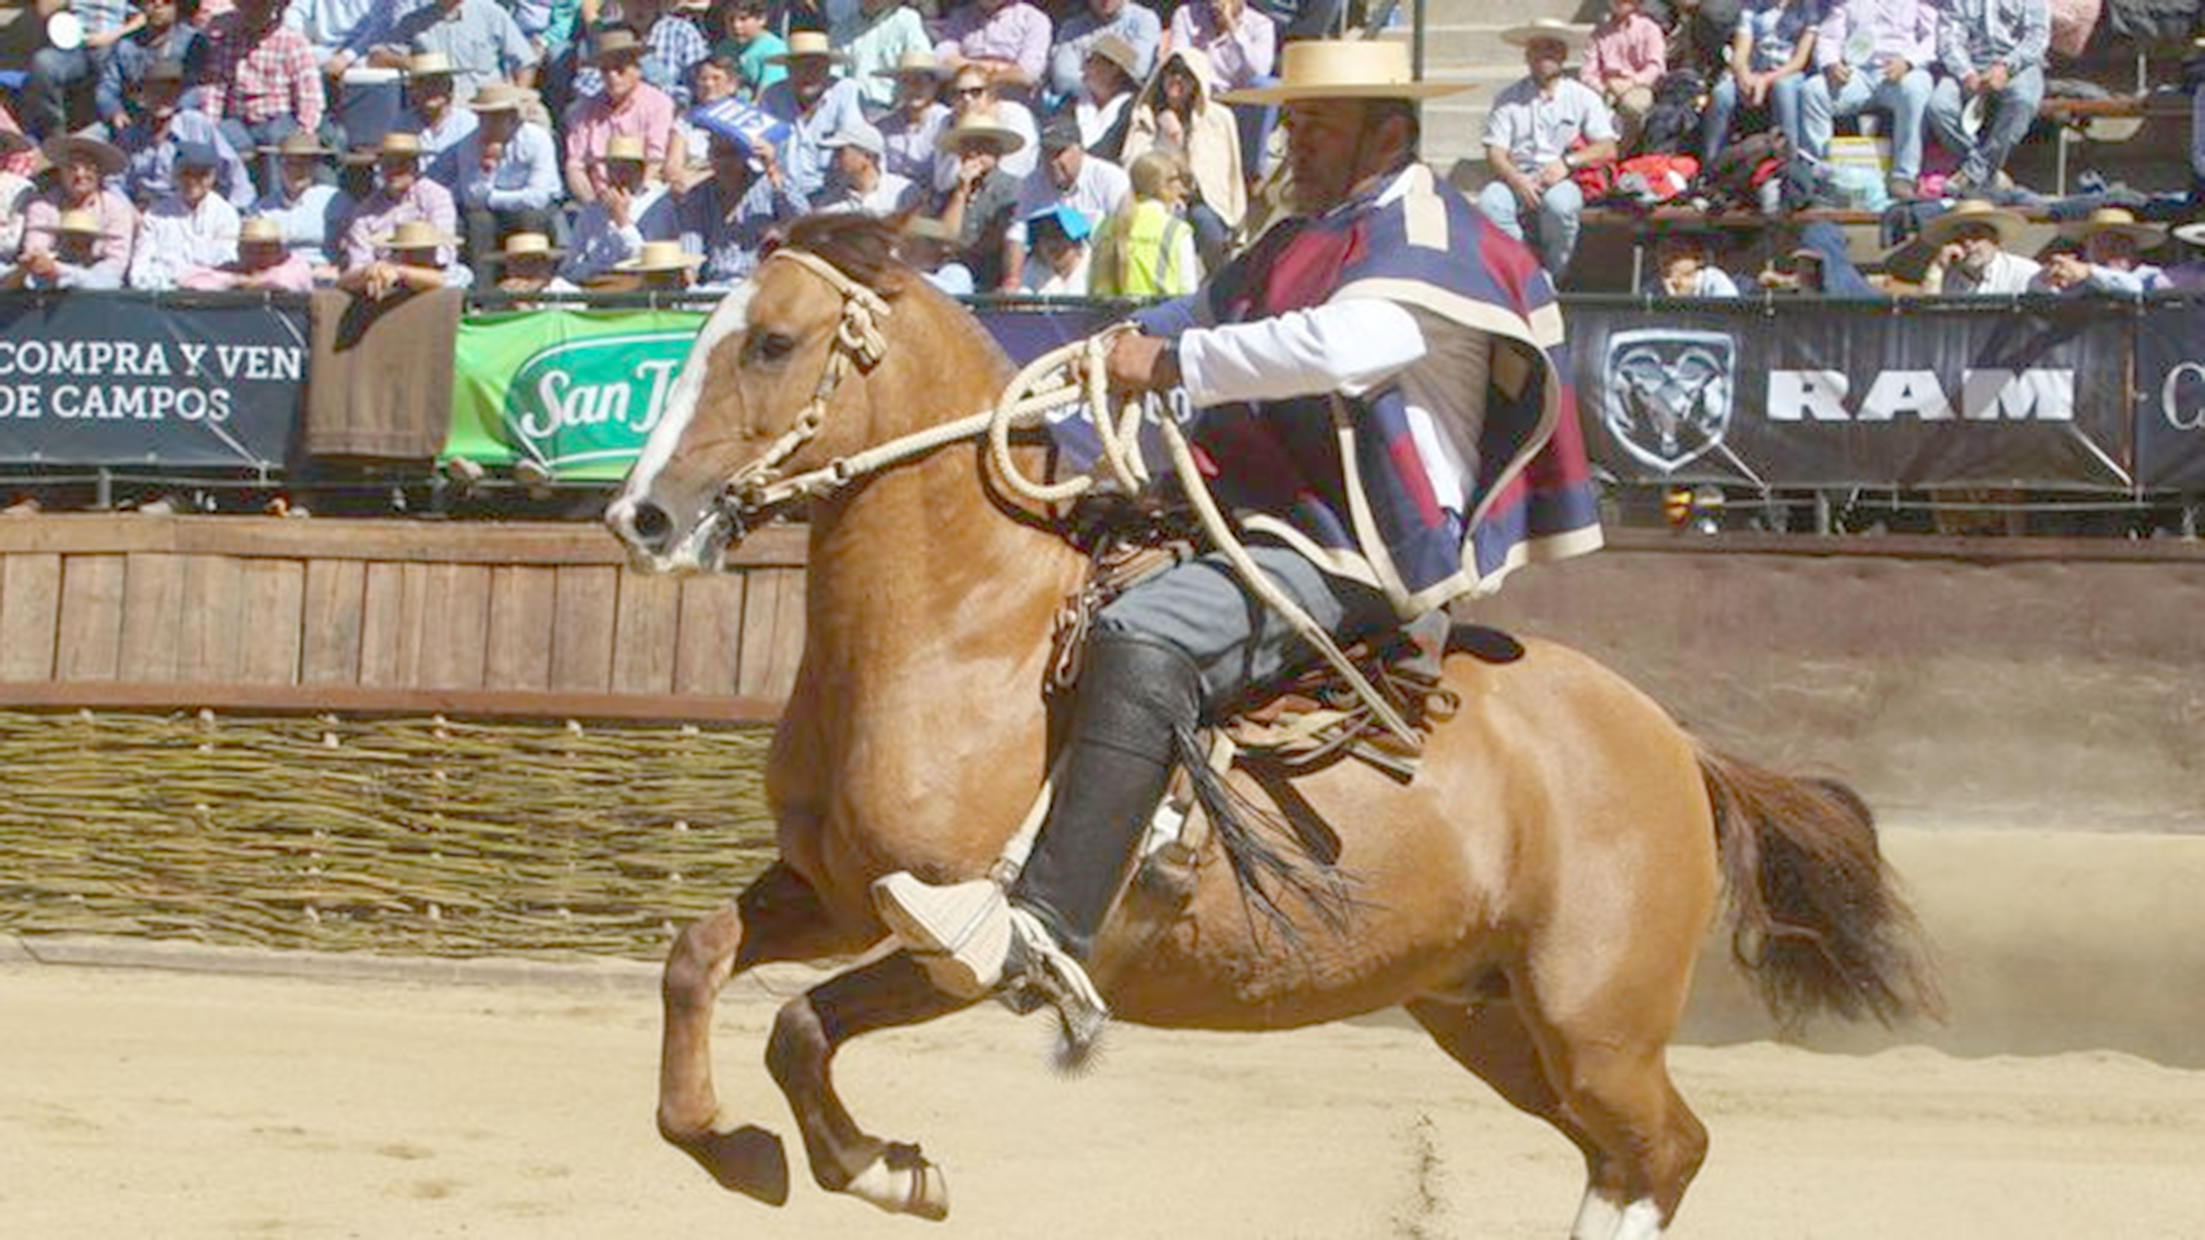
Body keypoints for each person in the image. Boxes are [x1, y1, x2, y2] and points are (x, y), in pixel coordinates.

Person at [873, 39, 1595, 1036]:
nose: (1293, 140)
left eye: (1319, 125)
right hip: (1278, 517)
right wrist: (1106, 346)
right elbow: (1199, 306)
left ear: (1389, 133)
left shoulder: (1431, 229)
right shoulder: (1307, 233)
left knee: (1145, 633)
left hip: (1359, 541)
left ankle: (1050, 924)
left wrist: (1170, 361)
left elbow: (1353, 345)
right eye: (1291, 121)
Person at [1480, 20, 1615, 278]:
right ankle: (1526, 271)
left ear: (1563, 55)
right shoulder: (1507, 98)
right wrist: (1515, 178)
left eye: (1552, 49)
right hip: (1517, 175)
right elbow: (1495, 150)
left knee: (1560, 205)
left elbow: (1607, 147)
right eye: (1538, 49)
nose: (1545, 56)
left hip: (1564, 176)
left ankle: (1553, 274)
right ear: (1528, 56)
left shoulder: (1583, 96)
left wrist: (1567, 163)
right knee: (1490, 203)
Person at [1120, 46, 1243, 275]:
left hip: (1201, 201)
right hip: (1155, 199)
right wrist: (1165, 137)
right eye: (1171, 71)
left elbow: (1224, 174)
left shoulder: (1218, 118)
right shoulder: (1145, 116)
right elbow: (1135, 167)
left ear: (1197, 80)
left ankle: (1222, 284)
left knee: (1206, 223)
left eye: (1185, 74)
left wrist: (1177, 139)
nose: (1177, 79)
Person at [197, 0, 327, 193]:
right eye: (248, 5)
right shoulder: (228, 41)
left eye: (260, 5)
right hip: (239, 119)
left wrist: (304, 131)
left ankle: (274, 202)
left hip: (278, 118)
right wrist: (210, 124)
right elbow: (216, 88)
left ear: (272, 7)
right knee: (220, 138)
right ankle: (233, 203)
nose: (253, 10)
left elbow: (310, 96)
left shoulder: (292, 42)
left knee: (276, 139)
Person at [1929, 0, 2050, 194]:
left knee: (2022, 100)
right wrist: (1966, 73)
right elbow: (1949, 39)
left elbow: (2037, 38)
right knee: (1939, 106)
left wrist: (2005, 67)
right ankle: (1988, 171)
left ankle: (1973, 173)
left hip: (2018, 64)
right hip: (1970, 64)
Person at [1002, 112, 1127, 291]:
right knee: (1027, 283)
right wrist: (1012, 281)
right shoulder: (1033, 182)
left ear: (1080, 150)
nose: (1053, 161)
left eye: (1059, 152)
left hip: (1096, 263)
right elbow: (1017, 235)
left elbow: (1124, 231)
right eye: (1047, 152)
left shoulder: (1109, 177)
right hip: (1048, 263)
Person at [115, 58, 255, 210]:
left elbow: (232, 168)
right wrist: (127, 210)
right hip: (145, 210)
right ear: (142, 98)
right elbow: (116, 181)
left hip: (190, 208)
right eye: (155, 91)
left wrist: (237, 209)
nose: (162, 97)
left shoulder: (196, 124)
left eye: (170, 91)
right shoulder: (132, 133)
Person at [677, 128, 808, 287]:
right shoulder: (698, 195)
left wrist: (772, 169)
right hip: (714, 283)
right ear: (710, 156)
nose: (725, 161)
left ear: (744, 156)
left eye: (732, 153)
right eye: (718, 154)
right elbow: (690, 247)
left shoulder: (769, 186)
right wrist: (691, 286)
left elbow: (804, 221)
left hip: (762, 282)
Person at [1699, 0, 1816, 174]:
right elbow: (1740, 55)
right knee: (1721, 94)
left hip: (1787, 73)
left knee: (1782, 88)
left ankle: (1787, 165)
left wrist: (1765, 80)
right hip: (1754, 71)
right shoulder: (1753, 8)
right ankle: (1711, 165)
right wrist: (1745, 77)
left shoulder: (1808, 9)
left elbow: (1799, 61)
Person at [562, 27, 677, 204]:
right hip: (597, 198)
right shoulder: (584, 110)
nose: (612, 76)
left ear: (637, 70)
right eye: (605, 70)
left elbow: (655, 159)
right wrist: (592, 203)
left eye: (619, 69)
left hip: (645, 195)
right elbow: (575, 166)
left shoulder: (659, 104)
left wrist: (634, 200)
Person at [455, 80, 562, 266]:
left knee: (530, 217)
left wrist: (490, 198)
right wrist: (487, 169)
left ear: (513, 117)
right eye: (484, 117)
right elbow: (470, 199)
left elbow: (537, 198)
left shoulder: (537, 140)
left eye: (496, 117)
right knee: (478, 220)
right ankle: (483, 289)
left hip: (539, 207)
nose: (488, 124)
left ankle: (531, 283)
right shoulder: (468, 145)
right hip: (495, 209)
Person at [757, 29, 869, 202]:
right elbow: (761, 145)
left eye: (814, 66)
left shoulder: (846, 91)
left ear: (828, 67)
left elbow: (854, 145)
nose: (807, 73)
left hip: (835, 194)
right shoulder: (772, 95)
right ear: (788, 69)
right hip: (780, 191)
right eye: (799, 66)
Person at [924, 107, 1024, 289]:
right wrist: (961, 192)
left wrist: (959, 250)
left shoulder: (1013, 188)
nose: (973, 153)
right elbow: (945, 240)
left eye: (981, 146)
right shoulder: (948, 193)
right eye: (967, 146)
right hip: (955, 276)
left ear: (997, 152)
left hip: (995, 277)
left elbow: (999, 238)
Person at [561, 133, 680, 282]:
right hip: (596, 285)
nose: (620, 175)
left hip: (640, 286)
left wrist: (622, 221)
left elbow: (648, 261)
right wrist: (593, 273)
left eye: (627, 168)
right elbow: (571, 265)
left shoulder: (658, 206)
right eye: (614, 168)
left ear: (641, 170)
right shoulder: (592, 210)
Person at [339, 130, 460, 272]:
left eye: (402, 164)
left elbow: (444, 250)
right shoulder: (364, 212)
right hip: (381, 280)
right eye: (388, 164)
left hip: (431, 275)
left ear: (415, 166)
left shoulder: (437, 196)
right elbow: (358, 263)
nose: (394, 171)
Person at [128, 138, 242, 288]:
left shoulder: (225, 214)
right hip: (162, 297)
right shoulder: (155, 215)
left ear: (213, 176)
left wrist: (182, 276)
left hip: (210, 299)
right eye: (186, 173)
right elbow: (138, 271)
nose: (193, 181)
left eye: (201, 174)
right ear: (175, 174)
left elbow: (226, 266)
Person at [22, 135, 139, 279]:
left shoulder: (117, 209)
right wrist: (42, 263)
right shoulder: (42, 205)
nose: (80, 174)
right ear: (60, 171)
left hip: (97, 285)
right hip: (47, 282)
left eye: (88, 168)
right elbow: (35, 250)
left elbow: (115, 266)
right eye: (72, 168)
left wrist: (68, 273)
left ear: (100, 173)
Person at [1089, 148, 1199, 297]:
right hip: (1160, 317)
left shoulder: (1104, 226)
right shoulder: (1175, 231)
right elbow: (1188, 293)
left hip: (1107, 317)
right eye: (1180, 180)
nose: (1182, 188)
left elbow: (1092, 284)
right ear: (1164, 186)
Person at [23, 0, 141, 138]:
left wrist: (112, 36)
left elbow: (143, 17)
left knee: (106, 57)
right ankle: (54, 133)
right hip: (74, 46)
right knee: (43, 62)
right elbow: (43, 10)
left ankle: (111, 128)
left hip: (113, 43)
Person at [99, 0, 203, 137]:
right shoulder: (125, 45)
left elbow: (196, 88)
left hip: (177, 121)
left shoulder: (193, 43)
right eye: (150, 1)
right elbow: (107, 88)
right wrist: (114, 111)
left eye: (166, 1)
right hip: (132, 118)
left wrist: (172, 111)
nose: (157, 5)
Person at [255, 130, 347, 265]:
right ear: (280, 166)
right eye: (290, 164)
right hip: (279, 277)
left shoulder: (335, 201)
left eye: (304, 164)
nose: (296, 171)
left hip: (324, 273)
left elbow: (352, 245)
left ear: (314, 167)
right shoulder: (264, 208)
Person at [1581, 0, 1668, 142]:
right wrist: (1604, 89)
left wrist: (1632, 82)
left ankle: (1624, 151)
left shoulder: (1649, 28)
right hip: (1606, 89)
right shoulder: (1599, 34)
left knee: (1633, 106)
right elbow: (1587, 73)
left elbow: (1656, 66)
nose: (1621, 2)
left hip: (1639, 87)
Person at [1048, 0, 1161, 105]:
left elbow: (1139, 68)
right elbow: (1064, 78)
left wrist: (1100, 54)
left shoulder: (1144, 20)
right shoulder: (1072, 29)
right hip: (1080, 105)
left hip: (1128, 105)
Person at [1918, 198, 2040, 294]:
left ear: (1995, 240)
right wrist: (1937, 267)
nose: (1967, 243)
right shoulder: (1945, 277)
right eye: (1960, 236)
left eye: (1976, 234)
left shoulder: (2026, 273)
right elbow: (1925, 319)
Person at [933, 0, 1053, 98]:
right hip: (965, 103)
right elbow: (942, 61)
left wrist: (965, 65)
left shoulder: (1034, 20)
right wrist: (999, 67)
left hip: (1012, 106)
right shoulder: (959, 18)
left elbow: (1027, 74)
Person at [398, 51, 481, 191]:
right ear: (412, 90)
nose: (429, 89)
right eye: (422, 84)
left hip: (461, 201)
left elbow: (473, 174)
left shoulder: (469, 124)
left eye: (436, 83)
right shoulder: (400, 124)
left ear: (450, 88)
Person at [2037, 207, 2168, 295]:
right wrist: (2049, 277)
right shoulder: (2077, 280)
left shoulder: (2151, 275)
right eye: (2100, 243)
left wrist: (2088, 271)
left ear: (2135, 248)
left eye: (2121, 242)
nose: (2112, 250)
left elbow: (2134, 288)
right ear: (2086, 249)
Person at [830, 0, 931, 112]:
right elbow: (834, 77)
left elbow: (922, 67)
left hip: (893, 109)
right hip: (849, 110)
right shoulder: (840, 28)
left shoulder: (907, 20)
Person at [338, 216, 472, 296]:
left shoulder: (458, 272)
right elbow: (341, 284)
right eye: (408, 250)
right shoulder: (382, 274)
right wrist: (367, 272)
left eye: (423, 251)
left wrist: (400, 272)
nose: (417, 256)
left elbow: (447, 281)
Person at [179, 213, 317, 290]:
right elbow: (188, 280)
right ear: (239, 249)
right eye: (250, 248)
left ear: (278, 250)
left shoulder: (296, 265)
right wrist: (235, 280)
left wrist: (248, 282)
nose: (257, 255)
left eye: (265, 248)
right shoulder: (234, 269)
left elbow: (279, 284)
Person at [874, 50, 952, 186]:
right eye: (905, 82)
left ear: (935, 85)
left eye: (920, 82)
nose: (913, 89)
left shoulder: (947, 122)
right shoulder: (884, 127)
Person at [0, 209, 128, 288]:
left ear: (92, 242)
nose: (77, 244)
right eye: (70, 239)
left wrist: (57, 270)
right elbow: (7, 283)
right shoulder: (43, 267)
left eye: (84, 239)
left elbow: (102, 284)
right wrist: (22, 270)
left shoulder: (103, 269)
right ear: (61, 240)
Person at [816, 117, 920, 215]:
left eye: (841, 152)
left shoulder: (905, 193)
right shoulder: (829, 205)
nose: (835, 158)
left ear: (867, 157)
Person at [1072, 32, 1142, 160]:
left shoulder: (1131, 107)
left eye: (1090, 61)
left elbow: (1110, 147)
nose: (1083, 68)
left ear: (1113, 69)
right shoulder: (1072, 101)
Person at [716, 0, 787, 101]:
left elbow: (767, 95)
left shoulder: (774, 49)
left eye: (743, 19)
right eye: (731, 19)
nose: (736, 26)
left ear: (761, 19)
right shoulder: (724, 48)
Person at [1016, 201, 1092, 293]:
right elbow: (1023, 296)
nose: (1052, 244)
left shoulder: (1095, 266)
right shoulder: (1034, 266)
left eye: (1058, 235)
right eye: (1045, 237)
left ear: (1076, 240)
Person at [483, 228, 580, 297]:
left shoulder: (566, 292)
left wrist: (521, 302)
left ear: (548, 265)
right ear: (508, 267)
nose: (527, 269)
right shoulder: (498, 295)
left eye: (534, 261)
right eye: (518, 263)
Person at [1643, 226, 1739, 296]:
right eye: (1663, 251)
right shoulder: (1654, 286)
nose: (1667, 258)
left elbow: (1730, 314)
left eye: (1677, 252)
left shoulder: (1713, 279)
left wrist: (1686, 300)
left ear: (1699, 258)